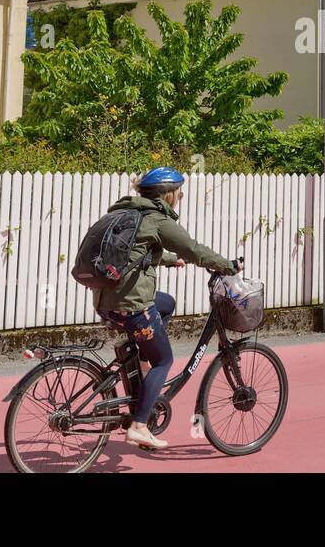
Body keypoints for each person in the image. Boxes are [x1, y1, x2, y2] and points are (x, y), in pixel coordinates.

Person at [94, 167, 238, 450]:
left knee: (167, 303)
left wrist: (168, 260)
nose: (180, 197)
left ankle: (141, 359)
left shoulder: (128, 213)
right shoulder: (157, 219)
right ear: (167, 194)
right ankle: (139, 426)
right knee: (163, 361)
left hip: (106, 302)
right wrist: (228, 266)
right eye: (179, 192)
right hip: (132, 305)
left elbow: (132, 253)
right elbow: (194, 249)